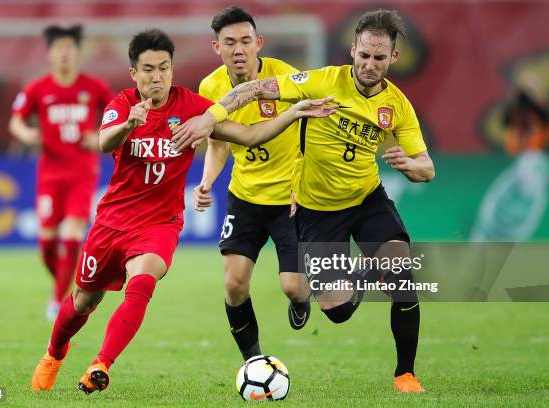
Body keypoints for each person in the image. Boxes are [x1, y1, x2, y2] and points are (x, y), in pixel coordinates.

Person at [29, 28, 336, 394]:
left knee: (142, 283)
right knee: (82, 300)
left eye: (164, 68)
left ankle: (101, 364)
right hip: (112, 222)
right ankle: (53, 354)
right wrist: (129, 125)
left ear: (172, 69)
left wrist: (294, 113)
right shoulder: (122, 104)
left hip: (160, 223)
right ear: (134, 74)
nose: (156, 77)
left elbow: (249, 135)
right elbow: (102, 142)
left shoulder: (192, 106)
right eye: (148, 69)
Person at [172, 9, 435, 393]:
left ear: (393, 58)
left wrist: (410, 165)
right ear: (352, 50)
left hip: (365, 198)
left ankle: (406, 374)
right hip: (315, 209)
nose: (369, 64)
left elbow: (427, 167)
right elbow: (252, 90)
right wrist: (210, 118)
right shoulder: (321, 81)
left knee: (400, 273)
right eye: (364, 55)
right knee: (336, 309)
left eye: (379, 58)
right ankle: (364, 271)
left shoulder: (397, 106)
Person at [193, 6, 311, 361]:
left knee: (293, 287)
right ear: (217, 47)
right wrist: (206, 182)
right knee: (233, 284)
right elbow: (217, 143)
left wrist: (304, 184)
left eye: (246, 41)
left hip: (290, 197)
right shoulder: (210, 86)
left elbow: (313, 132)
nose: (239, 49)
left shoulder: (286, 79)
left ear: (259, 43)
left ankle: (302, 299)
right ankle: (254, 362)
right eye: (230, 42)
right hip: (244, 197)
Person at [9, 25, 114, 320]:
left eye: (70, 48)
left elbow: (117, 116)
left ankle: (58, 302)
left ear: (78, 53)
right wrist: (27, 134)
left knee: (71, 237)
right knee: (46, 246)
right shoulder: (37, 88)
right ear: (50, 53)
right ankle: (73, 283)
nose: (65, 54)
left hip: (82, 173)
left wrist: (100, 136)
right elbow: (15, 121)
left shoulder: (94, 87)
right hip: (50, 175)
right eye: (59, 48)